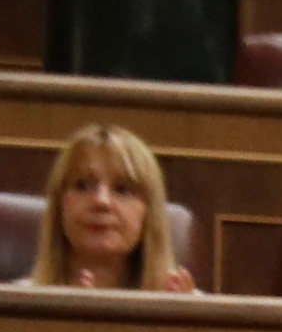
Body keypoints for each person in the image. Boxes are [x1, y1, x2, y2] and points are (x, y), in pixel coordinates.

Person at [25, 124, 188, 293]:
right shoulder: (14, 307)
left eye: (122, 189)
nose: (101, 201)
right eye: (84, 185)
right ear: (60, 205)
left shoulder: (192, 308)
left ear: (149, 212)